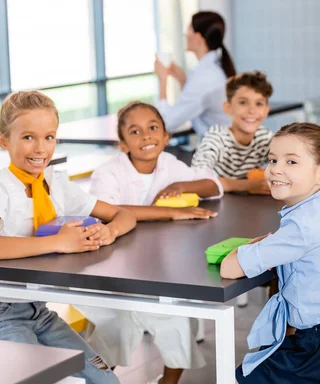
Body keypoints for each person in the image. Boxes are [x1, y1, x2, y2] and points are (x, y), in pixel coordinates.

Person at [0, 91, 136, 384]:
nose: (40, 148)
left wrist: (109, 231)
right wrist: (59, 242)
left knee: (106, 380)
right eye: (28, 137)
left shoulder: (55, 182)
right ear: (4, 140)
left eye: (49, 137)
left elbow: (123, 215)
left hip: (39, 311)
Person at [221, 121, 320, 383]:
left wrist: (249, 247)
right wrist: (269, 243)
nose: (275, 170)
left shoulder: (304, 226)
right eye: (272, 160)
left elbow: (230, 267)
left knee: (244, 378)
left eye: (291, 162)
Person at [79, 100, 222, 384]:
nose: (146, 136)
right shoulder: (109, 172)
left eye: (153, 128)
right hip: (113, 266)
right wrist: (172, 212)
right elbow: (109, 210)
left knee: (178, 319)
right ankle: (101, 379)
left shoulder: (169, 164)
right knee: (117, 327)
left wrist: (182, 186)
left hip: (158, 265)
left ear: (166, 137)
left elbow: (213, 186)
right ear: (122, 144)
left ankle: (167, 382)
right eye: (135, 132)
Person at [154, 11, 236, 136]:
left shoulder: (204, 76)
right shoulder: (215, 67)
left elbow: (166, 123)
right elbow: (195, 105)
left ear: (197, 37)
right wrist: (182, 80)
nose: (185, 36)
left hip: (220, 151)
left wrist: (162, 80)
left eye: (188, 31)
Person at [191, 71, 273, 194]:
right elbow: (197, 177)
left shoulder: (265, 138)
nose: (252, 110)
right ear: (227, 107)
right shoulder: (216, 136)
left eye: (259, 104)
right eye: (243, 102)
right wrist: (247, 186)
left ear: (266, 110)